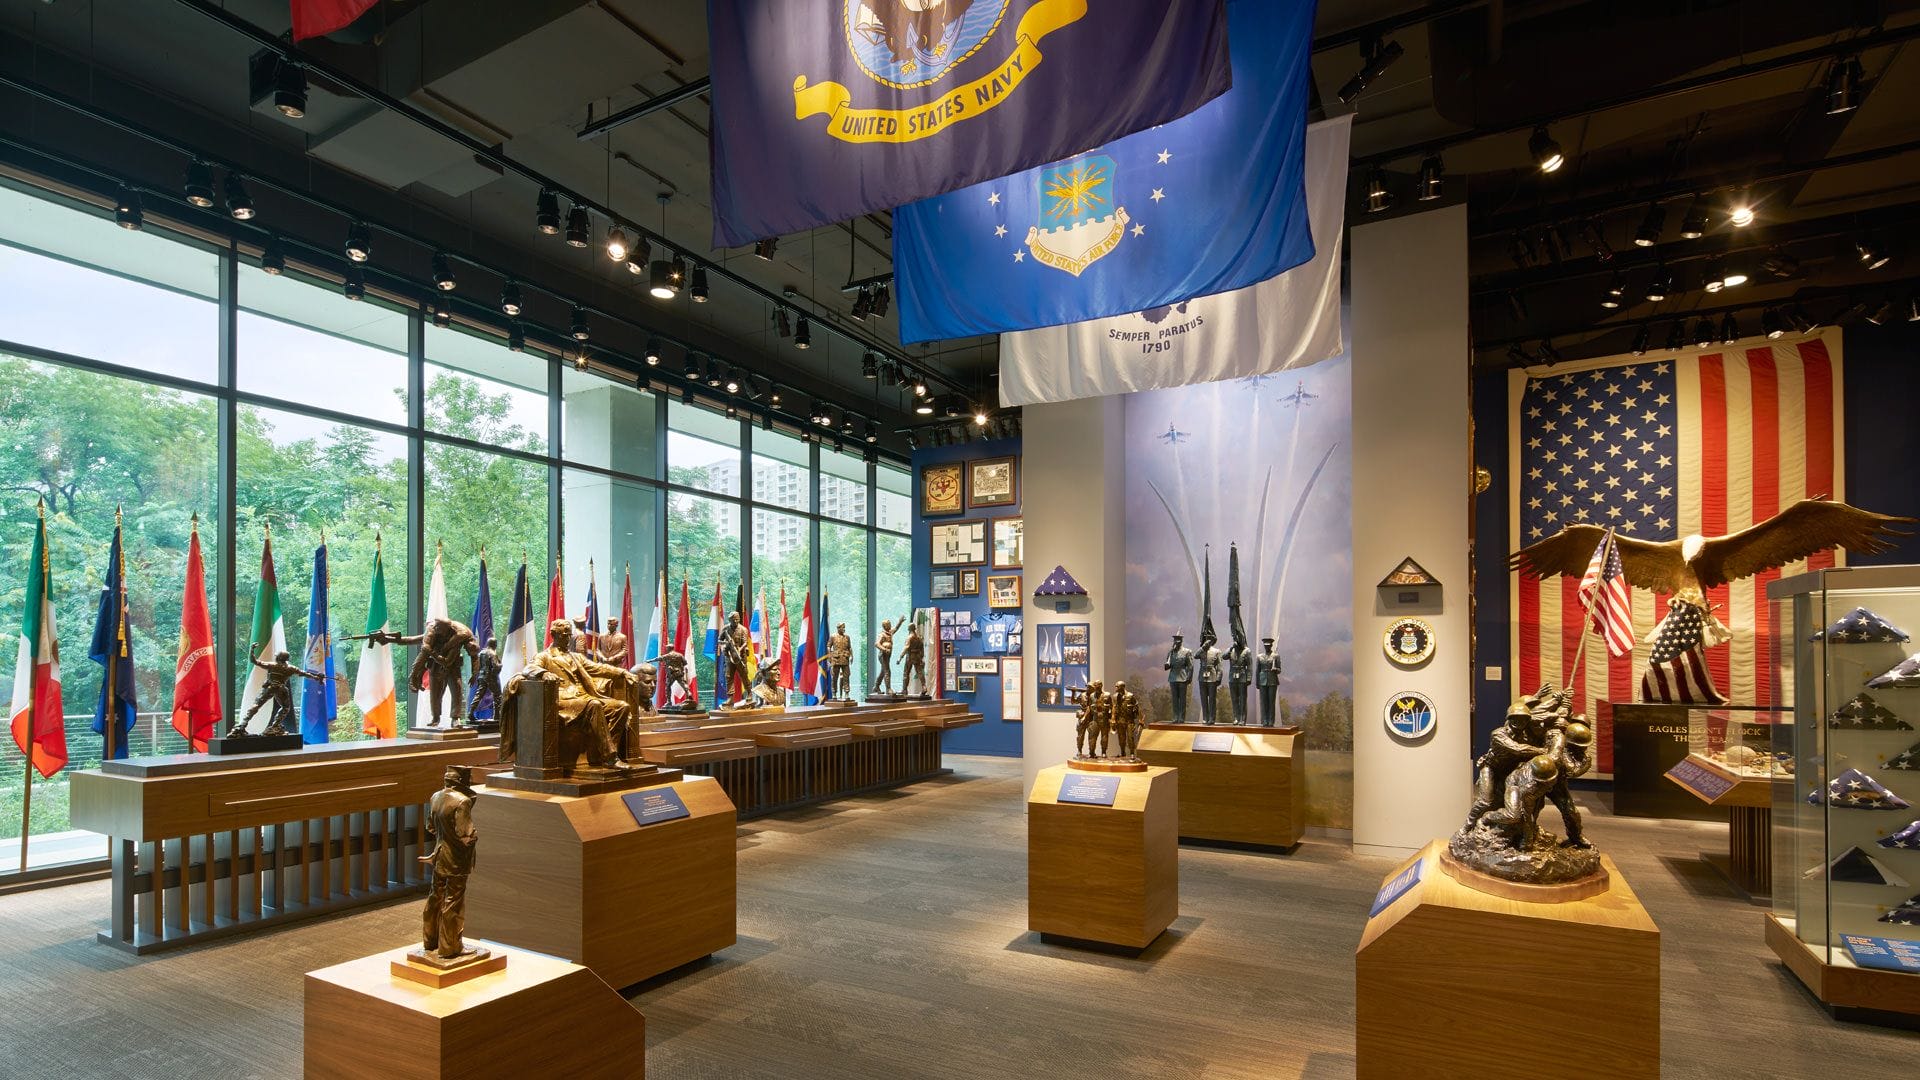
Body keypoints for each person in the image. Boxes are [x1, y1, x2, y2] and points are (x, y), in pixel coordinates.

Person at [500, 619, 640, 769]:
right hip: (562, 700)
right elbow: (529, 669)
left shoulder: (575, 657)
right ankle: (610, 758)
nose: (568, 639)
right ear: (554, 635)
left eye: (569, 635)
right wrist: (544, 673)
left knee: (621, 707)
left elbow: (598, 668)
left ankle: (600, 753)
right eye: (564, 635)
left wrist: (623, 672)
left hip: (582, 698)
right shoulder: (545, 656)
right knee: (594, 705)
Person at [420, 765, 478, 961]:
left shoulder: (435, 797)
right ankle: (450, 947)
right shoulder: (463, 801)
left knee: (434, 897)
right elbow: (465, 835)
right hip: (456, 860)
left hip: (438, 856)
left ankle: (430, 941)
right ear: (462, 782)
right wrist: (474, 837)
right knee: (453, 901)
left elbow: (430, 826)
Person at [234, 649, 326, 737]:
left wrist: (252, 650)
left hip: (270, 688)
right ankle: (275, 725)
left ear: (278, 657)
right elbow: (304, 673)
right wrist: (316, 677)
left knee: (257, 705)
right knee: (285, 708)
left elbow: (254, 661)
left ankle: (242, 725)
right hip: (281, 689)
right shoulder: (291, 668)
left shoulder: (273, 665)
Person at [468, 636, 503, 723]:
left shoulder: (481, 653)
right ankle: (497, 716)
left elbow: (477, 667)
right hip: (490, 677)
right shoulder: (492, 653)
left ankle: (471, 712)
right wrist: (501, 665)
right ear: (494, 644)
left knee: (478, 695)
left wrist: (475, 676)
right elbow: (495, 666)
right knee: (497, 695)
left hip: (481, 676)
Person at [1164, 633, 1194, 724]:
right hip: (1173, 677)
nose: (1175, 643)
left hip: (1182, 677)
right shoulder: (1171, 652)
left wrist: (1189, 677)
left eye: (1177, 641)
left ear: (1181, 641)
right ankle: (1175, 716)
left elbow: (1190, 666)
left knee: (1182, 699)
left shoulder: (1187, 652)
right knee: (1174, 699)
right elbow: (1167, 666)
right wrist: (1167, 664)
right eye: (1174, 641)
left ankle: (1181, 717)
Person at [871, 616, 905, 695]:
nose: (890, 625)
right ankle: (888, 688)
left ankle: (876, 686)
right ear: (885, 626)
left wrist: (900, 622)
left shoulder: (890, 633)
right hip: (883, 655)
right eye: (889, 624)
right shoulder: (882, 635)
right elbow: (877, 644)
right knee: (887, 671)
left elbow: (896, 628)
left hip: (888, 655)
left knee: (883, 671)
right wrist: (884, 649)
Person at [1110, 681, 1142, 758]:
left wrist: (1140, 719)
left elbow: (1137, 707)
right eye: (1116, 686)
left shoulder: (1130, 696)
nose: (1116, 688)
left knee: (1130, 738)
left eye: (1117, 686)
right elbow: (1113, 707)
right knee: (1121, 738)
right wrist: (1113, 719)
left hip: (1129, 720)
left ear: (1122, 687)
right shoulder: (1114, 697)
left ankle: (1132, 753)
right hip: (1120, 720)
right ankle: (1122, 753)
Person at [1255, 639, 1281, 727]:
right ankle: (1264, 720)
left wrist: (1275, 669)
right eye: (1265, 646)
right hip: (1262, 681)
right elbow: (1257, 670)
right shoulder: (1259, 657)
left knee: (1271, 702)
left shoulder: (1276, 656)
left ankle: (1271, 720)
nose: (1267, 647)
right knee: (1264, 702)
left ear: (1271, 646)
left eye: (1268, 646)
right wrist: (1257, 682)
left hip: (1272, 680)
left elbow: (1279, 670)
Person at [1197, 640, 1224, 725]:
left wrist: (1219, 678)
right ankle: (1205, 717)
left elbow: (1220, 666)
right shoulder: (1202, 650)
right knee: (1203, 699)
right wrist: (1203, 647)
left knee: (1212, 699)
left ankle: (1212, 718)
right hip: (1202, 676)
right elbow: (1195, 656)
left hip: (1212, 676)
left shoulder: (1217, 651)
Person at [826, 622, 853, 700]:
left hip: (845, 659)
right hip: (836, 659)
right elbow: (828, 646)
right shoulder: (833, 636)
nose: (844, 629)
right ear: (838, 628)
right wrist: (830, 657)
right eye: (842, 627)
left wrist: (851, 656)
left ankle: (847, 693)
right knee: (834, 677)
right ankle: (834, 693)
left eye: (844, 627)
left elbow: (850, 647)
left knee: (846, 677)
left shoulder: (847, 637)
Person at [901, 619, 928, 697]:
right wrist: (921, 658)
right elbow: (922, 650)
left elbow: (906, 647)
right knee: (920, 672)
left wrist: (900, 657)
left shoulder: (909, 637)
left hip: (910, 656)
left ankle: (904, 690)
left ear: (909, 629)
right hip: (917, 656)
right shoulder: (919, 638)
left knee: (906, 673)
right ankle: (924, 687)